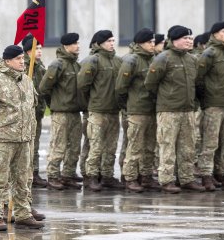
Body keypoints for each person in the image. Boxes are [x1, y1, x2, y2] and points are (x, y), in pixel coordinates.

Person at [0, 45, 43, 231]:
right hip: (2, 140)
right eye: (18, 58)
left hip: (23, 139)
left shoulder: (27, 81)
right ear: (7, 61)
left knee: (22, 179)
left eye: (23, 58)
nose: (22, 61)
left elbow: (31, 109)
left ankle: (23, 214)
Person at [144, 26, 200, 193]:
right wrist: (165, 98)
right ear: (174, 40)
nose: (189, 41)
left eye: (191, 38)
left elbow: (196, 84)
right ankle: (167, 180)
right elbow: (150, 83)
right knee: (167, 146)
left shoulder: (192, 60)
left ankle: (187, 178)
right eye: (185, 38)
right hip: (169, 110)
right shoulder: (163, 58)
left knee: (188, 147)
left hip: (188, 110)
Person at [196, 22, 224, 190]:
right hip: (213, 105)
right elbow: (199, 78)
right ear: (215, 34)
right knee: (210, 142)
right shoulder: (209, 54)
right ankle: (206, 174)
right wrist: (205, 98)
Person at [77, 30, 122, 191]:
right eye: (109, 40)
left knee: (111, 146)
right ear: (100, 43)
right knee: (95, 146)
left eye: (113, 40)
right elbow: (82, 86)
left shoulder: (117, 61)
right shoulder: (92, 61)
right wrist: (90, 105)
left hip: (113, 110)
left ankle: (107, 175)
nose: (112, 43)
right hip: (97, 110)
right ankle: (90, 177)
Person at [39, 32, 84, 190]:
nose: (78, 46)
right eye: (75, 43)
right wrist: (55, 104)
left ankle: (68, 175)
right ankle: (53, 176)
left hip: (74, 112)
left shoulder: (76, 65)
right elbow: (44, 88)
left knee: (74, 147)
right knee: (58, 145)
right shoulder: (57, 65)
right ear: (67, 45)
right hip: (61, 113)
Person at [115, 28, 158, 192]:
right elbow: (121, 87)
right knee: (135, 146)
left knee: (149, 146)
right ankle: (130, 177)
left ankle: (146, 176)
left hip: (151, 109)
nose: (152, 45)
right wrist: (128, 105)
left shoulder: (153, 59)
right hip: (137, 110)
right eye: (149, 42)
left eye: (153, 42)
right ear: (141, 43)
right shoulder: (132, 61)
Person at [22, 35, 48, 188]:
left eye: (40, 48)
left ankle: (34, 172)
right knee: (25, 146)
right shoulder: (24, 66)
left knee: (35, 144)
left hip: (37, 112)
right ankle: (25, 174)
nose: (39, 51)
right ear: (27, 51)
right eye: (35, 48)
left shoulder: (40, 66)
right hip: (26, 113)